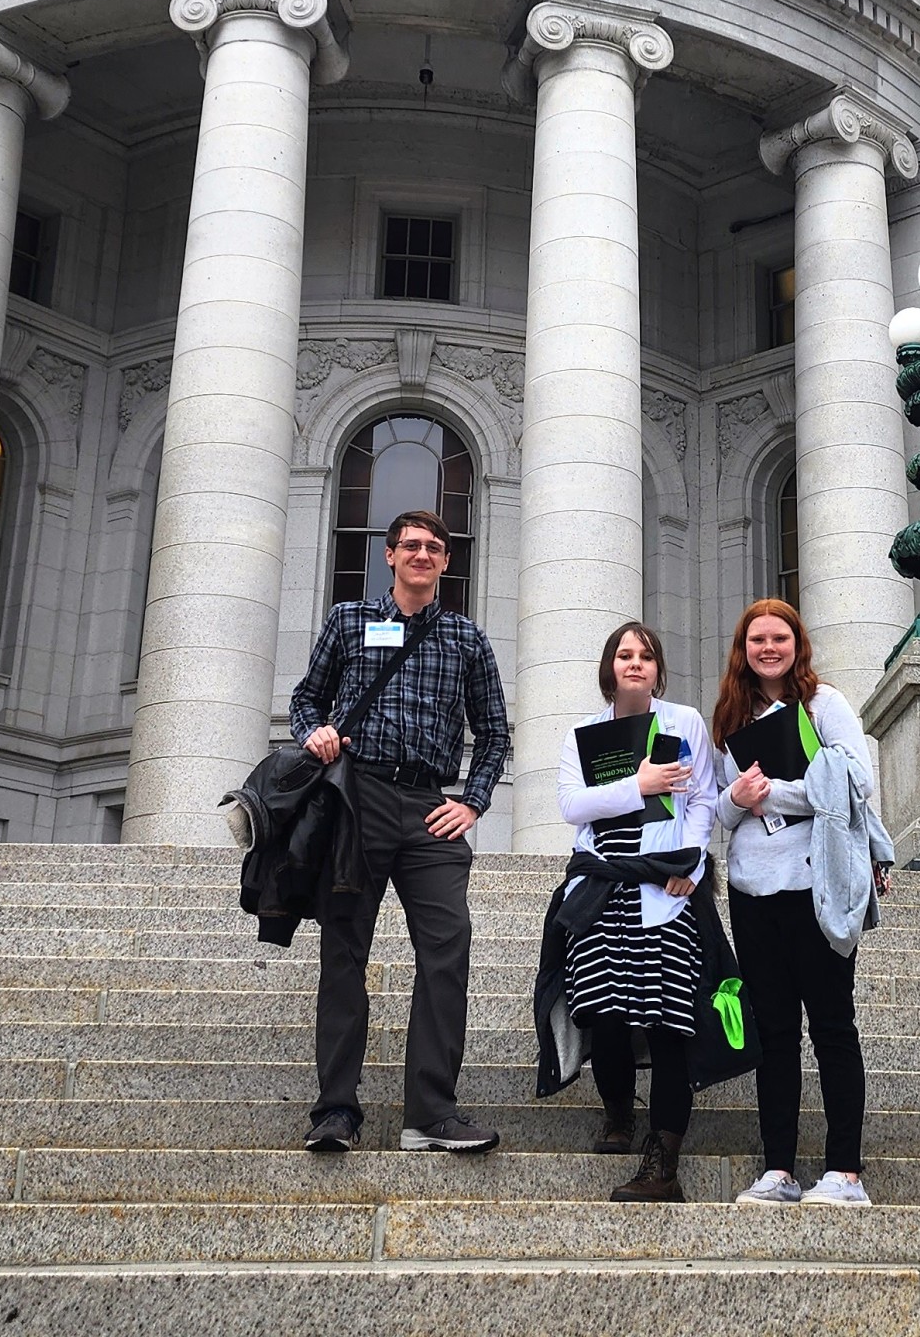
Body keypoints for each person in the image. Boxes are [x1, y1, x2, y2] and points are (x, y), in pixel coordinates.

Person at [290, 505, 510, 1155]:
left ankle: (431, 1114)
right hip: (355, 797)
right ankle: (335, 1112)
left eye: (433, 548)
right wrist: (315, 732)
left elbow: (495, 732)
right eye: (410, 545)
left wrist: (470, 802)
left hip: (427, 803)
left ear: (446, 561)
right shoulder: (348, 620)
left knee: (449, 946)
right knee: (344, 954)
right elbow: (307, 698)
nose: (421, 555)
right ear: (389, 555)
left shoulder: (466, 639)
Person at [712, 596, 879, 1205]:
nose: (768, 649)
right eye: (757, 640)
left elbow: (857, 780)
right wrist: (736, 798)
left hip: (817, 886)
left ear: (797, 643)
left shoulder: (824, 704)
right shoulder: (729, 714)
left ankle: (845, 1172)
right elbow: (720, 811)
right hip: (753, 889)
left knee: (833, 1025)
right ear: (743, 650)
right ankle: (778, 1168)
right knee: (774, 1032)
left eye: (779, 638)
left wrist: (771, 794)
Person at [555, 621, 718, 1201]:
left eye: (646, 656)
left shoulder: (685, 723)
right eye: (625, 654)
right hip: (602, 887)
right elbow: (572, 805)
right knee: (605, 1011)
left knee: (669, 1018)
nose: (636, 663)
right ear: (609, 667)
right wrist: (638, 781)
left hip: (665, 885)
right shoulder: (583, 734)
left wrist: (692, 867)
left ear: (658, 669)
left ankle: (663, 1156)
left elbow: (701, 800)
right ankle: (618, 1114)